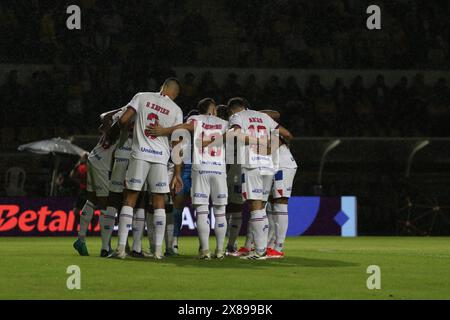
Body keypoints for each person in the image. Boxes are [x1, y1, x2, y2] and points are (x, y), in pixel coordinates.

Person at [111, 78, 184, 260]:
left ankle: (121, 249)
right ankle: (158, 251)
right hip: (160, 159)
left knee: (130, 198)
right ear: (174, 93)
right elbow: (177, 143)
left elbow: (124, 120)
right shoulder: (176, 110)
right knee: (159, 200)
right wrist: (177, 173)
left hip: (140, 155)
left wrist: (132, 128)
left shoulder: (142, 97)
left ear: (163, 87)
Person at [149, 98, 229, 259]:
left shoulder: (196, 120)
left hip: (201, 168)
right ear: (213, 109)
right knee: (220, 212)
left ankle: (205, 250)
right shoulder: (224, 123)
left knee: (201, 211)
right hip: (219, 169)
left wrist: (164, 130)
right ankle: (220, 251)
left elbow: (183, 128)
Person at [227, 97, 293, 260]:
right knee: (261, 206)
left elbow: (235, 133)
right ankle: (260, 248)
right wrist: (269, 147)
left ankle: (260, 251)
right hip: (268, 164)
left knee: (256, 206)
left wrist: (254, 140)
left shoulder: (237, 117)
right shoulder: (264, 117)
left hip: (252, 164)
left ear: (232, 110)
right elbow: (286, 134)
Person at [73, 113, 120, 256]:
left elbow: (103, 118)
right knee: (105, 203)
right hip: (101, 165)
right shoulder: (119, 127)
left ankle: (80, 239)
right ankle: (105, 248)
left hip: (93, 160)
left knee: (92, 200)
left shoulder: (110, 126)